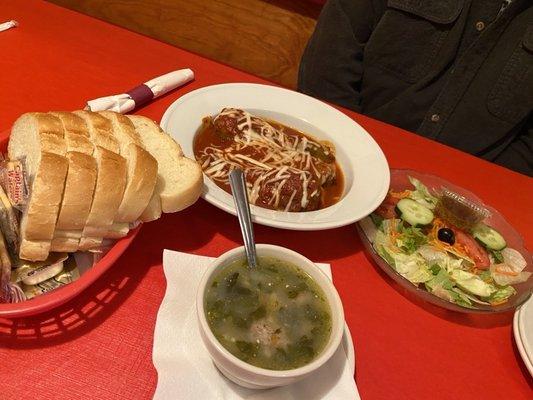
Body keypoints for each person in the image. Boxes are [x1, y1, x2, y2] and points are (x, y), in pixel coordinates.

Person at [298, 0, 532, 176]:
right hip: (335, 163)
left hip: (458, 206)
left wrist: (467, 190)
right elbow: (328, 63)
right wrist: (349, 158)